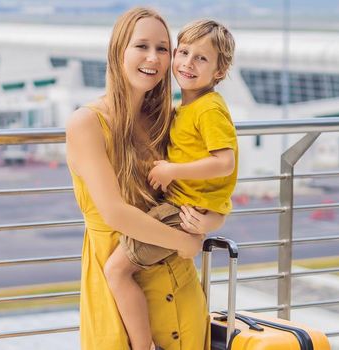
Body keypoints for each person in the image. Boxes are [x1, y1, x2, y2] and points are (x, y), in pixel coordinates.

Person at [65, 7, 227, 350]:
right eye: (142, 46)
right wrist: (182, 241)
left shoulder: (166, 120)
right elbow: (114, 213)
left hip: (180, 290)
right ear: (118, 49)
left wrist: (210, 220)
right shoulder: (87, 123)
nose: (153, 58)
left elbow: (208, 184)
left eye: (163, 48)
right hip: (118, 291)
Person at [103, 19, 238, 350]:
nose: (188, 63)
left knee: (117, 271)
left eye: (202, 58)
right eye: (184, 52)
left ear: (219, 72)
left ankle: (141, 344)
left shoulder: (208, 108)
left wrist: (173, 172)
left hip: (180, 210)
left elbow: (226, 163)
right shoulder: (182, 109)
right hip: (183, 210)